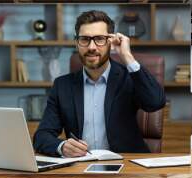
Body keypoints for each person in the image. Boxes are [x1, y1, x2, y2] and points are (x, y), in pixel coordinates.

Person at [33, 10, 166, 158]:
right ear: (77, 43)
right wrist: (62, 146)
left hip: (127, 166)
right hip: (81, 167)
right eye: (84, 39)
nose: (91, 47)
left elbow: (155, 102)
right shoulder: (62, 86)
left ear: (110, 41)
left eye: (99, 39)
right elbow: (41, 137)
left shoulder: (129, 77)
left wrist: (128, 57)